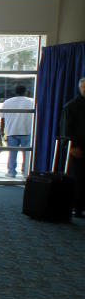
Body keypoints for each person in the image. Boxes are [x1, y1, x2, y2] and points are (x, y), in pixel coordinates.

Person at [61, 76, 85, 218]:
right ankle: (78, 207)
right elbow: (66, 129)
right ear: (80, 88)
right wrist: (71, 146)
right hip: (78, 147)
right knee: (79, 179)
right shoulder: (72, 106)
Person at [2, 84, 34, 178]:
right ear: (25, 92)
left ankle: (11, 172)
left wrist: (3, 131)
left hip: (11, 130)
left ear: (15, 92)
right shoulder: (31, 101)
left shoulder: (7, 102)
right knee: (27, 153)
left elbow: (2, 118)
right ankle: (25, 172)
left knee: (12, 153)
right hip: (26, 130)